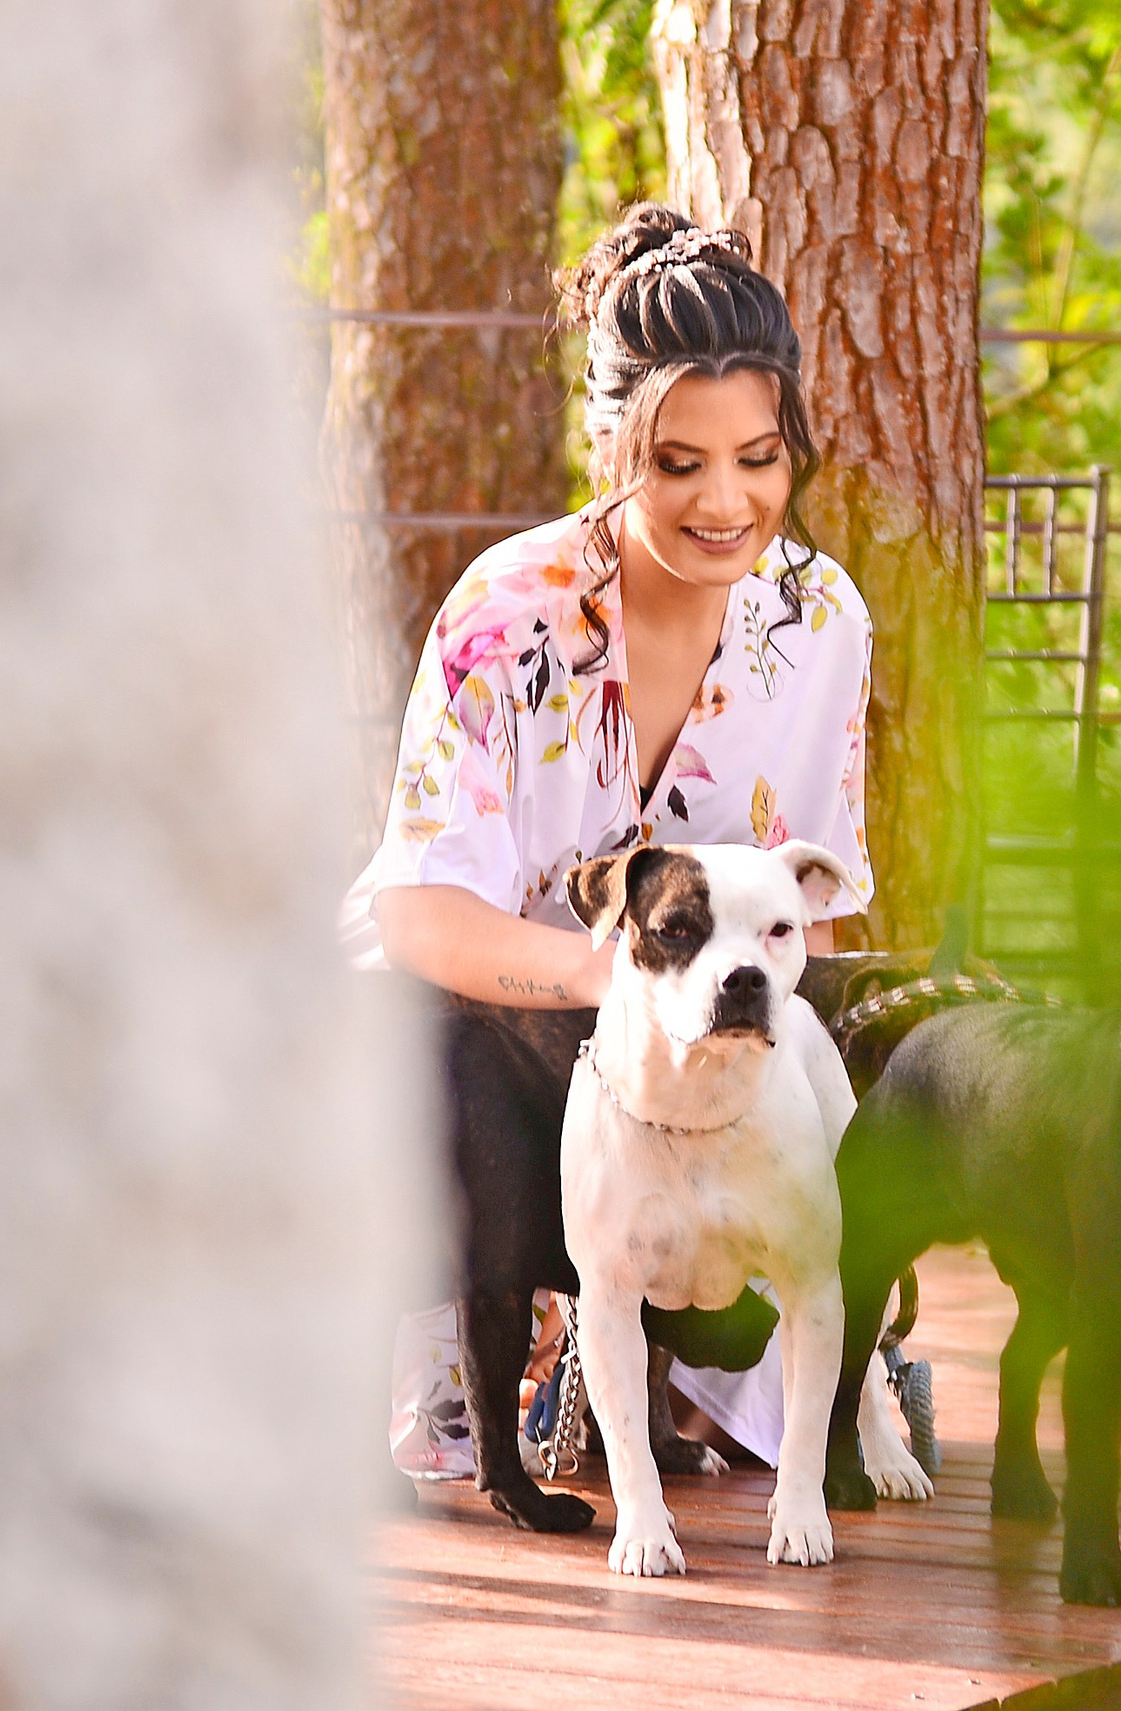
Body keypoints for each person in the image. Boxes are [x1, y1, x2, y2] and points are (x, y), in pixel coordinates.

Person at [344, 204, 874, 1484]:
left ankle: (753, 1350)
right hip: (487, 1023)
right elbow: (421, 917)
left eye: (760, 456)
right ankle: (460, 1334)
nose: (726, 501)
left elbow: (820, 902)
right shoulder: (503, 613)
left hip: (690, 1064)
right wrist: (613, 982)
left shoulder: (820, 621)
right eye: (678, 462)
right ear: (609, 444)